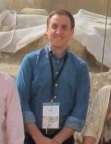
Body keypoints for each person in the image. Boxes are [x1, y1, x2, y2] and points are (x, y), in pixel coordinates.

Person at [18, 10, 91, 144]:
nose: (59, 31)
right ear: (47, 30)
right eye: (54, 26)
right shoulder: (30, 62)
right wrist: (38, 138)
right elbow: (22, 101)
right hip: (32, 137)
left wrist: (56, 141)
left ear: (72, 32)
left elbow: (80, 107)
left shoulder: (80, 68)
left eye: (64, 27)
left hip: (64, 139)